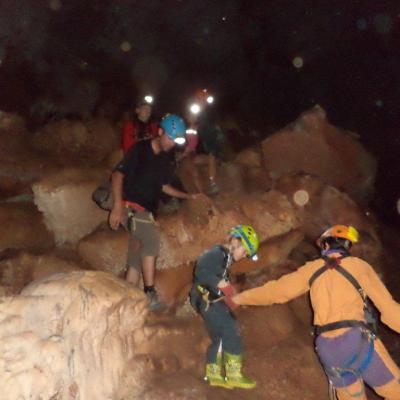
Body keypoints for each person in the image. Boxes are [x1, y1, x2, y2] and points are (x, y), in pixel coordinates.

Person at [232, 225, 400, 400]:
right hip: (356, 341)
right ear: (347, 246)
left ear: (326, 246)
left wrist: (239, 299)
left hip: (328, 350)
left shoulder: (311, 269)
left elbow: (276, 291)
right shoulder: (358, 266)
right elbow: (389, 311)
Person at [110, 114, 204, 311]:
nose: (171, 144)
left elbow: (163, 186)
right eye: (170, 138)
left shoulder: (163, 158)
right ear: (160, 132)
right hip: (131, 207)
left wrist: (187, 196)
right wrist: (117, 206)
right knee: (151, 240)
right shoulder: (140, 150)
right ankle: (149, 293)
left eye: (175, 140)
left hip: (146, 210)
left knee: (136, 258)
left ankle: (127, 302)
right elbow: (118, 174)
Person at [190, 225, 259, 390]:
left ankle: (213, 374)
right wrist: (221, 284)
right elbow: (201, 270)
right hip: (206, 299)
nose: (243, 256)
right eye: (244, 252)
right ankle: (234, 374)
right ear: (235, 241)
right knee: (230, 329)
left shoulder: (225, 258)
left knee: (220, 336)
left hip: (208, 299)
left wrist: (228, 296)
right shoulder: (217, 253)